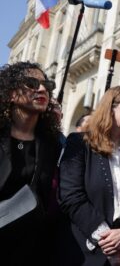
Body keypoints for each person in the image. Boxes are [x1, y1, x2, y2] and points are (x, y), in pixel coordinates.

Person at [58, 85, 120, 266]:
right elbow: (71, 196)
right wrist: (108, 243)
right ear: (111, 107)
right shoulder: (79, 144)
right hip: (87, 251)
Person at [0, 61, 62, 265]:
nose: (42, 89)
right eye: (31, 83)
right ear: (11, 93)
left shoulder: (52, 144)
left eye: (47, 85)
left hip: (31, 248)